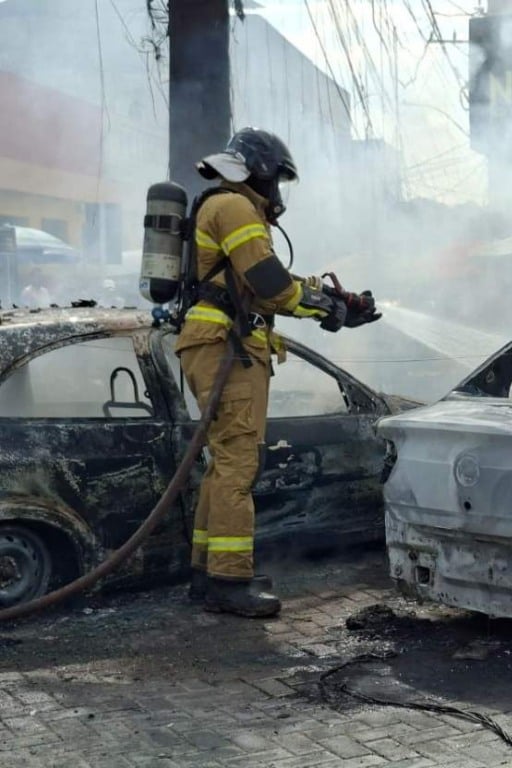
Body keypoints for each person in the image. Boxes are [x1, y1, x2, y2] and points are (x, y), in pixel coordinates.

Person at [177, 127, 378, 618]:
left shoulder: (224, 206)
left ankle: (208, 574)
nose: (278, 193)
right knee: (239, 465)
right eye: (278, 181)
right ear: (260, 172)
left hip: (217, 344)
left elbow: (264, 276)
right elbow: (268, 285)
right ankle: (229, 581)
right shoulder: (236, 207)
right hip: (227, 348)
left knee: (223, 462)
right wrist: (329, 310)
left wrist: (333, 298)